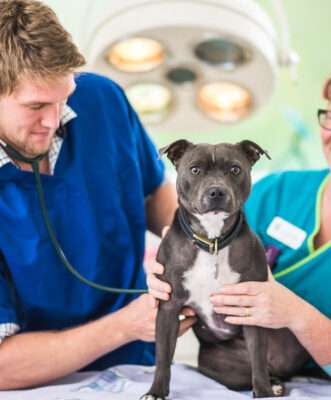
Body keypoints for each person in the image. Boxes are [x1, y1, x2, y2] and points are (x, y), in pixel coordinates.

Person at [147, 66, 331, 390]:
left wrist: (294, 312)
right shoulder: (277, 191)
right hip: (236, 367)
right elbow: (202, 238)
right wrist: (169, 269)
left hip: (330, 382)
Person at [0, 0, 196, 391]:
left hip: (140, 366)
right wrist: (126, 327)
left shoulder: (101, 99)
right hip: (39, 383)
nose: (54, 120)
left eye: (63, 97)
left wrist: (199, 241)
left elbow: (152, 190)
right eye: (36, 105)